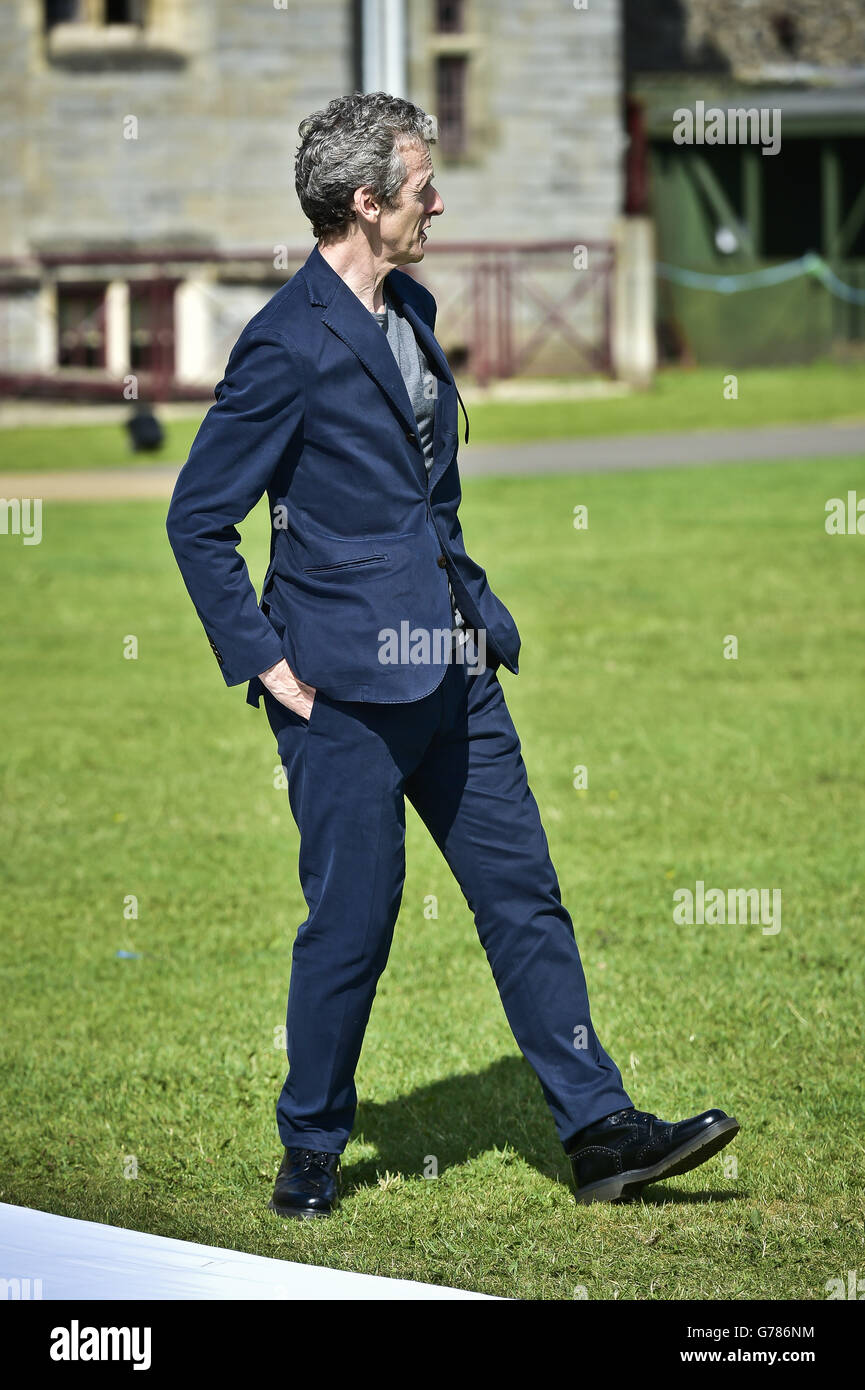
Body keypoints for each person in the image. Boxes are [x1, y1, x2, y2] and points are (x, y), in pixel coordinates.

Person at [165, 92, 739, 1217]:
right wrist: (268, 666)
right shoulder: (285, 342)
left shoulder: (410, 304)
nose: (440, 199)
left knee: (524, 896)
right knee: (355, 922)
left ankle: (599, 1132)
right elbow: (197, 516)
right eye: (422, 185)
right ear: (365, 203)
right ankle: (313, 1147)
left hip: (453, 662)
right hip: (342, 691)